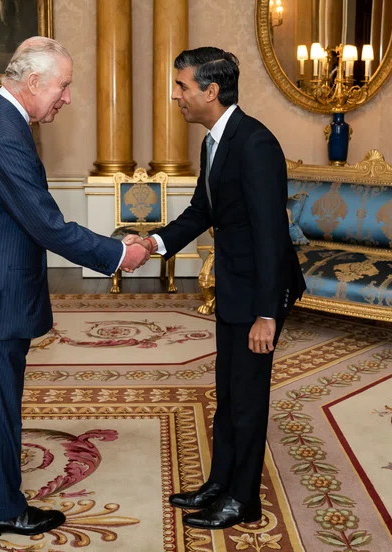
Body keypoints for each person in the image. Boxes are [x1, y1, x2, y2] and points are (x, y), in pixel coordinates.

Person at [0, 37, 150, 537]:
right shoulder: (4, 134)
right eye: (64, 86)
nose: (67, 97)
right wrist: (119, 253)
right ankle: (1, 510)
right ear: (33, 83)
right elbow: (47, 225)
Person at [129, 47, 306, 530]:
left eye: (183, 86)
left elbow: (272, 234)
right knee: (228, 394)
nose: (176, 95)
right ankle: (220, 483)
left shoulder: (255, 144)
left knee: (248, 400)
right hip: (235, 287)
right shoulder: (214, 141)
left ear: (211, 90)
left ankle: (242, 500)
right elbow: (202, 211)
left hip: (258, 296)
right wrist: (154, 242)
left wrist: (267, 314)